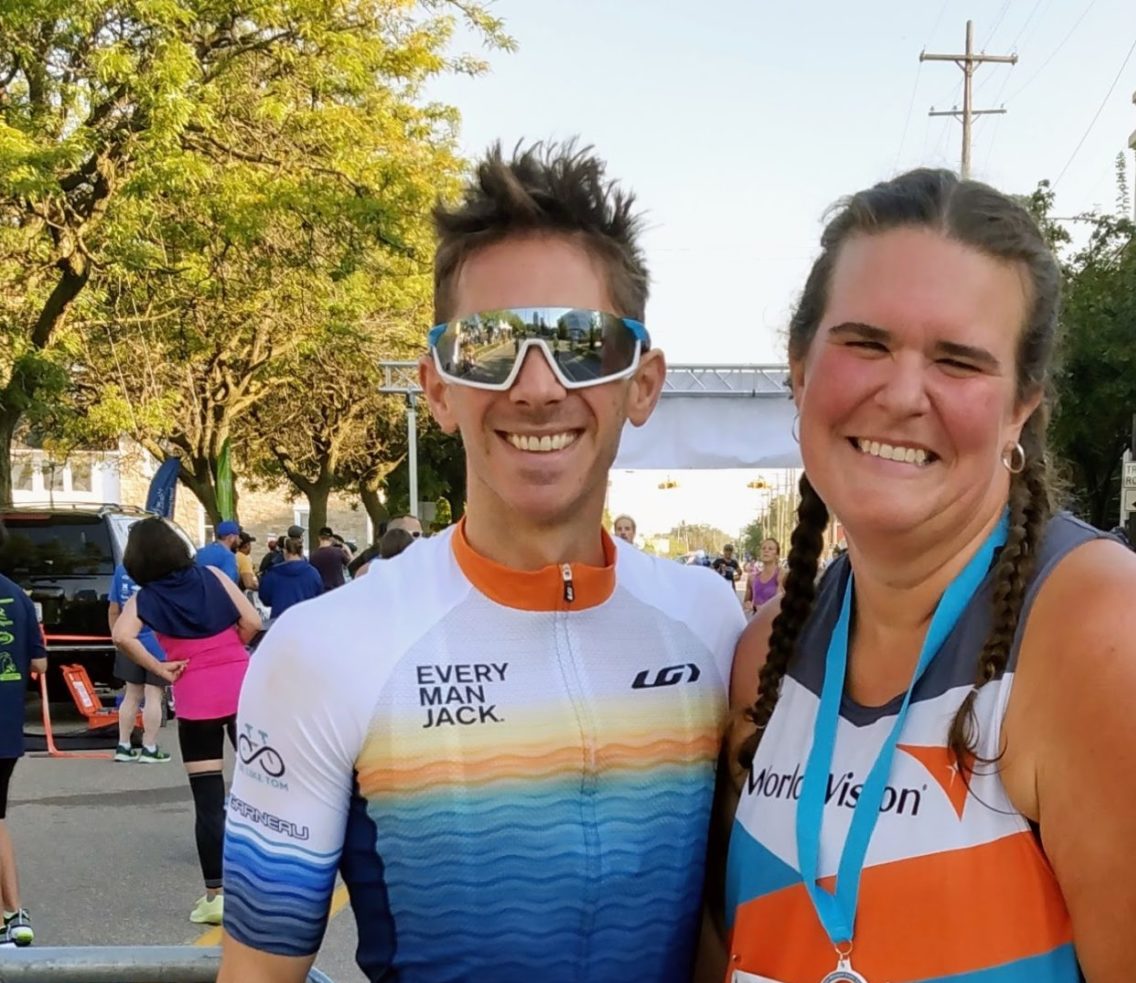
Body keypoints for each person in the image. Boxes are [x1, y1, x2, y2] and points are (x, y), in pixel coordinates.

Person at [219, 139, 745, 982]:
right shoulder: (325, 647)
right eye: (490, 347)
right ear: (436, 387)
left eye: (582, 342)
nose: (537, 386)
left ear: (641, 383)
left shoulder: (714, 627)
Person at [713, 170, 1136, 983]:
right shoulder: (765, 656)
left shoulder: (1107, 638)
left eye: (958, 361)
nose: (903, 393)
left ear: (1021, 406)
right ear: (799, 367)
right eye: (865, 342)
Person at [111, 517, 261, 926]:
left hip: (196, 693)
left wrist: (160, 666)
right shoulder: (213, 574)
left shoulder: (146, 598)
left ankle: (215, 895)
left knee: (208, 800)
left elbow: (122, 636)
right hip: (242, 684)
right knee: (263, 782)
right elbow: (252, 622)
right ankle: (272, 884)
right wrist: (232, 647)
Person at [0, 517, 47, 948]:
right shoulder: (17, 596)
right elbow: (40, 664)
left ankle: (8, 915)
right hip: (8, 728)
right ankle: (13, 913)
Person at [107, 558, 172, 763]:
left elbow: (113, 609)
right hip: (156, 643)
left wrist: (117, 636)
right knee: (154, 696)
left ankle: (123, 745)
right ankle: (149, 747)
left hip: (128, 642)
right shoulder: (162, 569)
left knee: (131, 695)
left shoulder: (121, 570)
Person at [257, 537, 324, 621]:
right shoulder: (313, 573)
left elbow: (265, 598)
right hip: (306, 620)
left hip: (280, 621)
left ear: (285, 551)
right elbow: (319, 597)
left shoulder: (272, 574)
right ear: (301, 552)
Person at [742, 537, 783, 617]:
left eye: (770, 549)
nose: (766, 550)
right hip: (758, 622)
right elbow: (746, 603)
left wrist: (761, 608)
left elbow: (781, 604)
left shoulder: (781, 574)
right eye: (763, 548)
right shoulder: (752, 578)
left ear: (777, 555)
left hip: (776, 624)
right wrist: (748, 604)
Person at [194, 520, 242, 586]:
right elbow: (229, 585)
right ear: (231, 537)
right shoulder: (227, 556)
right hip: (215, 594)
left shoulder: (201, 551)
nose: (240, 540)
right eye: (238, 536)